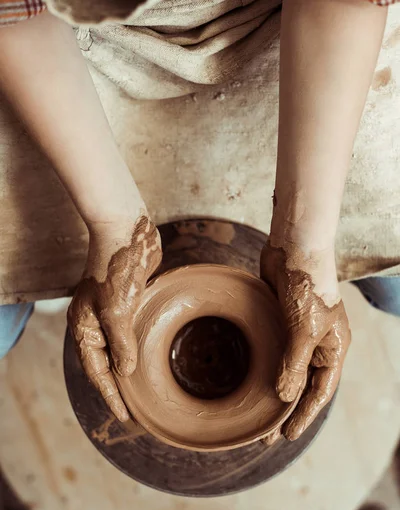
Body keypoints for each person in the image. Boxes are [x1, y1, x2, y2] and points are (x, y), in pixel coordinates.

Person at [0, 0, 398, 441]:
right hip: (74, 59)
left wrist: (304, 246)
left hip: (297, 40)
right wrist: (115, 227)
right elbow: (17, 16)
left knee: (395, 291)